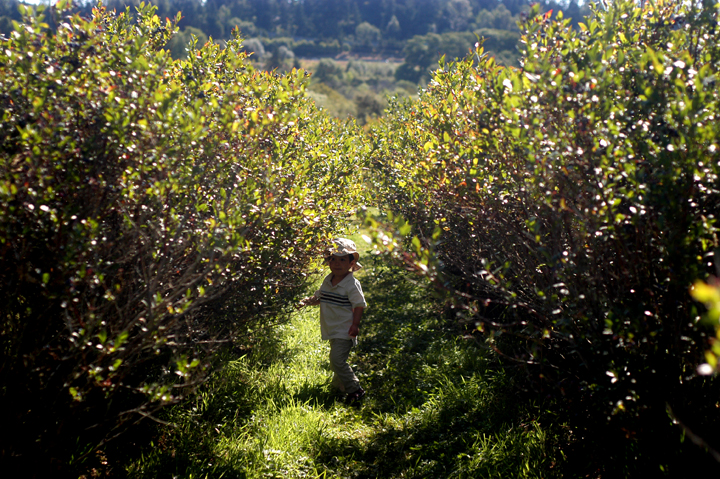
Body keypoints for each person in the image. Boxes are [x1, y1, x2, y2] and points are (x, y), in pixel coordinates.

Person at [298, 238, 367, 403]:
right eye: (333, 259)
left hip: (345, 329)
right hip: (332, 328)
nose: (337, 263)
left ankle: (355, 390)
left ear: (351, 263)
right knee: (338, 361)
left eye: (342, 259)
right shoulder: (328, 281)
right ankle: (338, 388)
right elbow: (320, 297)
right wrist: (306, 301)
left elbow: (359, 305)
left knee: (336, 360)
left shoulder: (351, 284)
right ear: (328, 261)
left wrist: (355, 325)